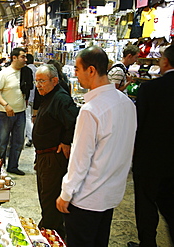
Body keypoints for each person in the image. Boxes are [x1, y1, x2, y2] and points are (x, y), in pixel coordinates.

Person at [56, 46, 137, 247]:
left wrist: (66, 193)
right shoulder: (126, 103)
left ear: (91, 70)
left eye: (77, 69)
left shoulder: (91, 110)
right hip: (110, 195)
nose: (75, 74)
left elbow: (80, 159)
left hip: (87, 198)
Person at [127, 45, 174, 247]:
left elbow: (139, 125)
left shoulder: (151, 89)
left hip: (150, 159)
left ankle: (147, 243)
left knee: (146, 204)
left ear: (165, 62)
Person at [32, 64, 79, 239]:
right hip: (43, 156)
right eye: (36, 81)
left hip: (53, 157)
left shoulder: (61, 98)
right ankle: (50, 232)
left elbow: (74, 122)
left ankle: (51, 235)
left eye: (42, 81)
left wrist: (66, 141)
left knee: (50, 200)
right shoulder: (49, 95)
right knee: (45, 198)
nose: (38, 85)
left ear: (54, 80)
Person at [0, 47, 27, 176]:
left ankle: (13, 166)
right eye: (22, 57)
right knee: (2, 142)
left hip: (20, 112)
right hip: (5, 113)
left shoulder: (25, 72)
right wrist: (6, 105)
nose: (25, 59)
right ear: (14, 58)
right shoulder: (4, 73)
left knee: (18, 142)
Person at [25, 54, 37, 147]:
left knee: (28, 117)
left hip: (28, 97)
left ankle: (31, 137)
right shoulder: (37, 70)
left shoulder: (25, 70)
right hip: (36, 97)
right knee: (34, 117)